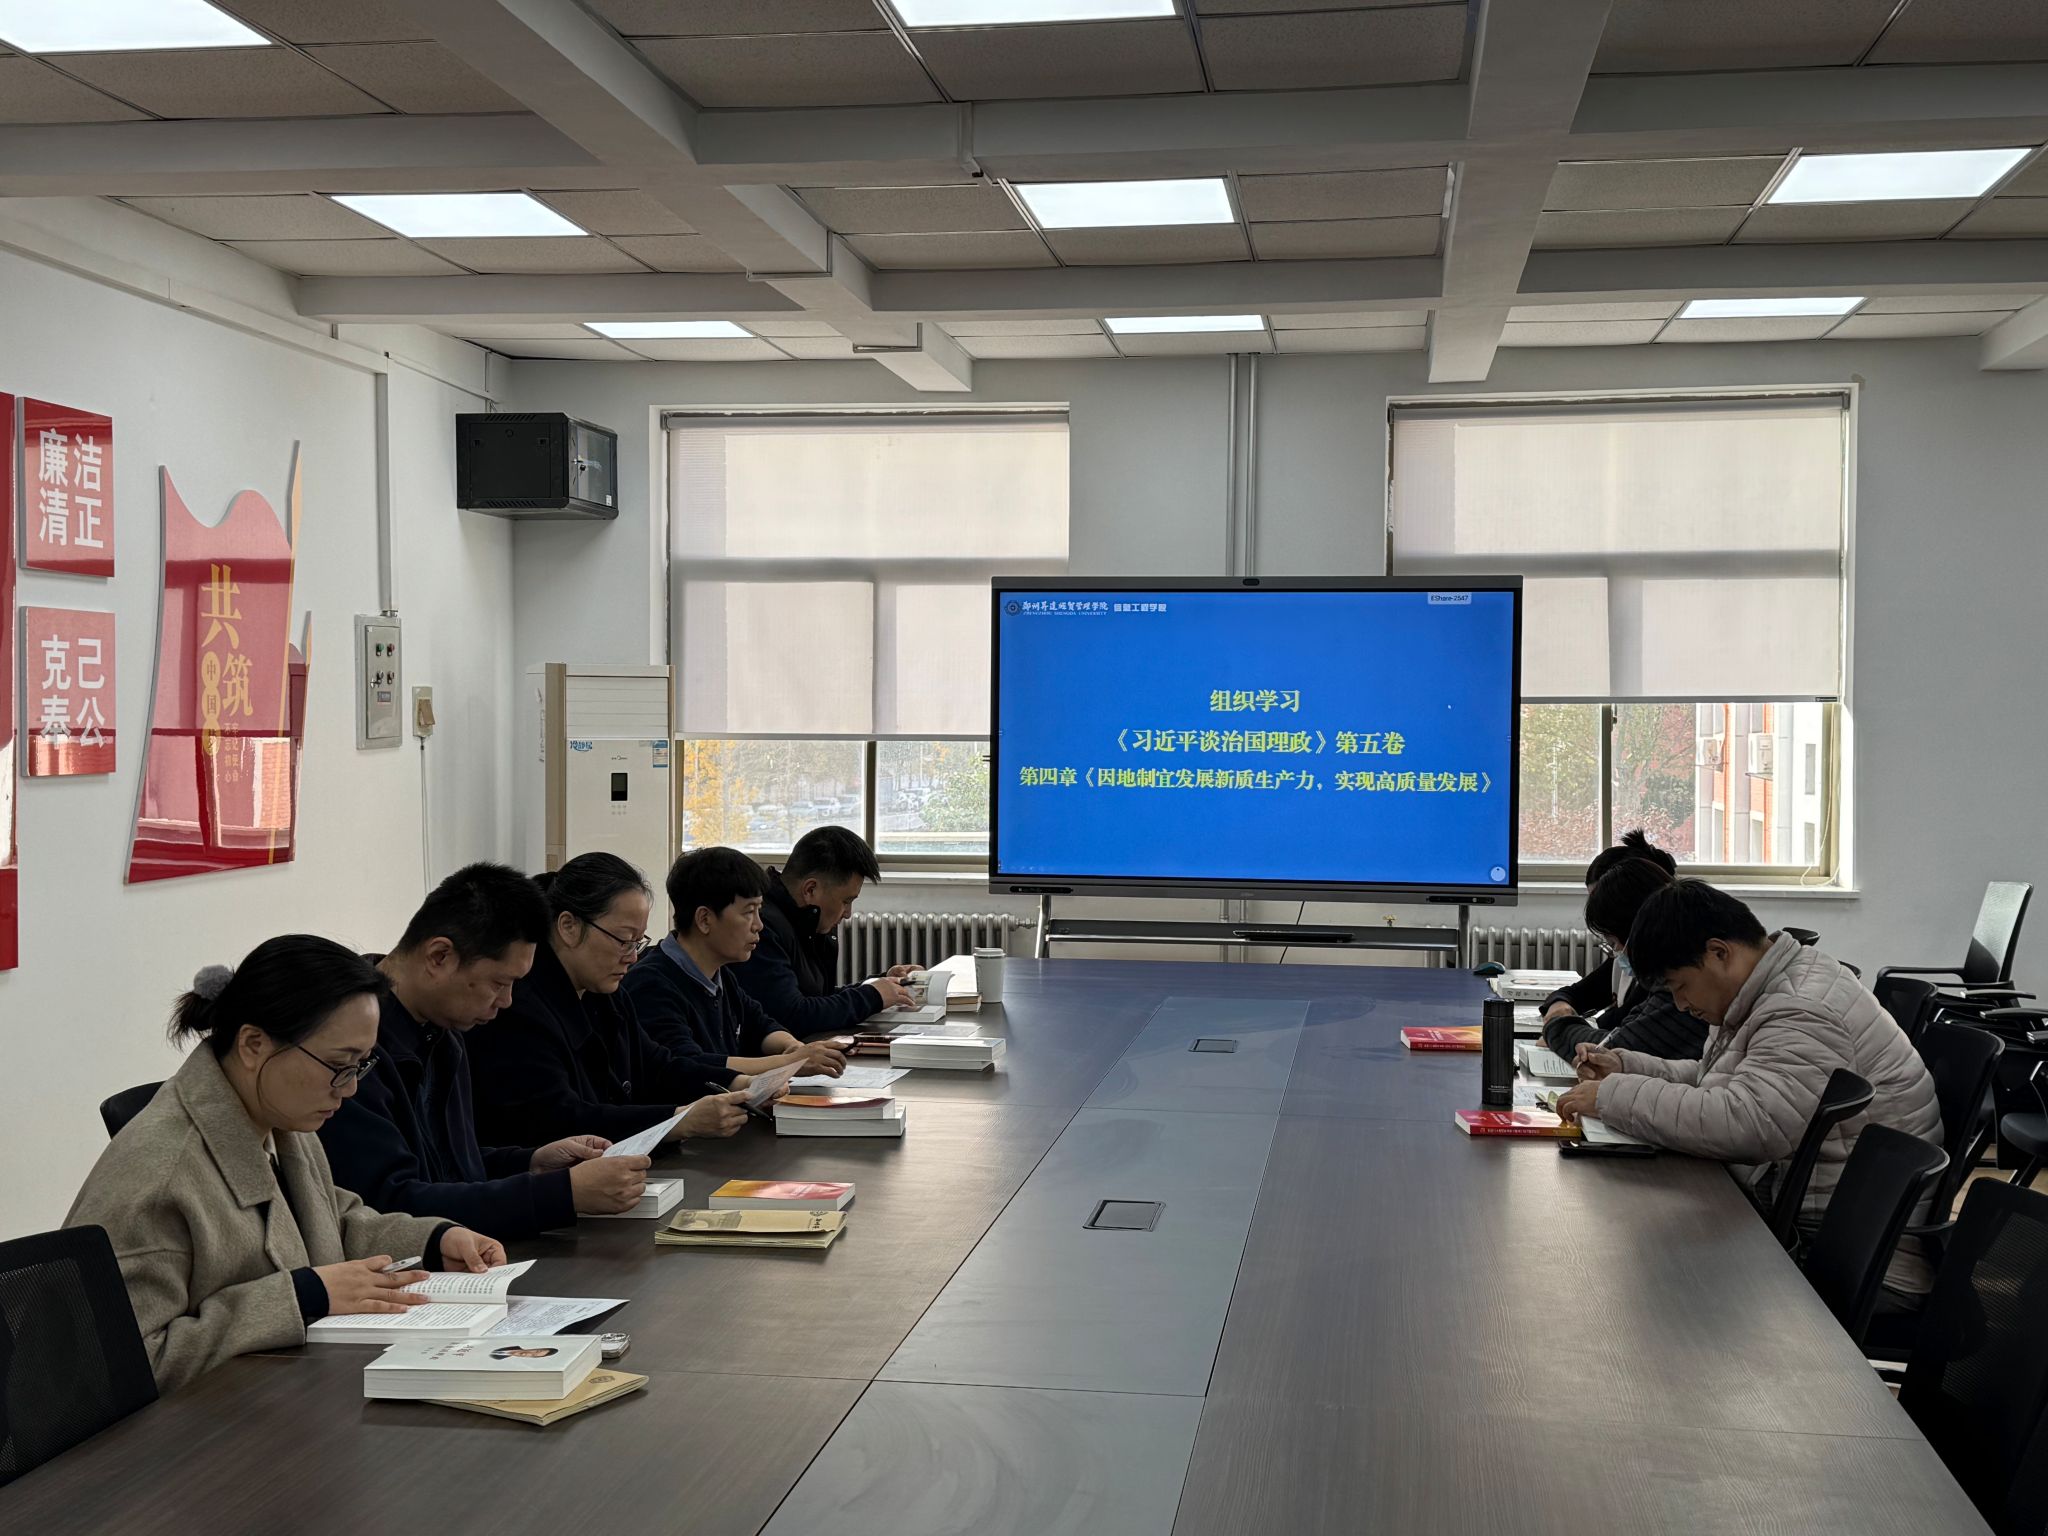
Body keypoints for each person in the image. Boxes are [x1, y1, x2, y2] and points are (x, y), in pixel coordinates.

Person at [65, 937, 505, 1394]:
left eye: (361, 1065)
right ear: (254, 1044)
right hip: (204, 1428)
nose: (350, 1089)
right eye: (338, 1065)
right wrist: (301, 1296)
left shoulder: (279, 1116)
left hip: (279, 1395)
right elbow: (124, 1365)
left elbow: (330, 1221)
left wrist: (434, 1241)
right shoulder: (160, 1176)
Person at [1554, 880, 1942, 1287]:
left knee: (1632, 1268)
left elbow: (1751, 1122)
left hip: (1854, 1258)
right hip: (1818, 1221)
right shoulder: (1768, 987)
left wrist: (1613, 1096)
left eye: (1680, 986)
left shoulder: (1800, 1009)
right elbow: (1717, 1082)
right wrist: (1625, 1067)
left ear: (1719, 953)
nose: (1681, 1004)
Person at [320, 863, 652, 1237]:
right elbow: (390, 1207)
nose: (507, 1001)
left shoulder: (444, 1033)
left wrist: (532, 1164)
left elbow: (451, 1169)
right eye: (499, 983)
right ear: (439, 956)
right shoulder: (351, 1051)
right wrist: (560, 1193)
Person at [467, 852, 749, 1148]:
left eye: (638, 942)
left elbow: (657, 1066)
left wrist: (739, 1083)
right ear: (569, 926)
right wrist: (679, 1120)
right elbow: (559, 1120)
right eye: (624, 940)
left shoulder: (605, 993)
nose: (632, 957)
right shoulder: (517, 1006)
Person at [622, 847, 852, 1081]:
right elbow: (689, 1064)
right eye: (749, 912)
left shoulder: (719, 974)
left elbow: (760, 1025)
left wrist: (794, 1047)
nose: (759, 925)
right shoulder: (652, 984)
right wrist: (791, 1062)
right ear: (704, 919)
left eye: (759, 911)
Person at [727, 827, 919, 1035]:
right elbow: (791, 1015)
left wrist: (880, 985)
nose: (848, 914)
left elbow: (819, 999)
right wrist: (872, 996)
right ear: (810, 890)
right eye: (846, 901)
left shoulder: (810, 923)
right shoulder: (763, 928)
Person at [1540, 858, 1706, 1063]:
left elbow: (1617, 1048)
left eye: (1614, 942)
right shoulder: (1663, 970)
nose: (1617, 952)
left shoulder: (1676, 981)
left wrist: (1557, 1028)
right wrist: (1560, 1008)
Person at [1541, 829, 1679, 1028]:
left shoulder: (1660, 971)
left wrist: (1563, 1030)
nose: (1597, 906)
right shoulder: (1623, 957)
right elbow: (1580, 993)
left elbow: (1618, 1024)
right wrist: (1559, 1003)